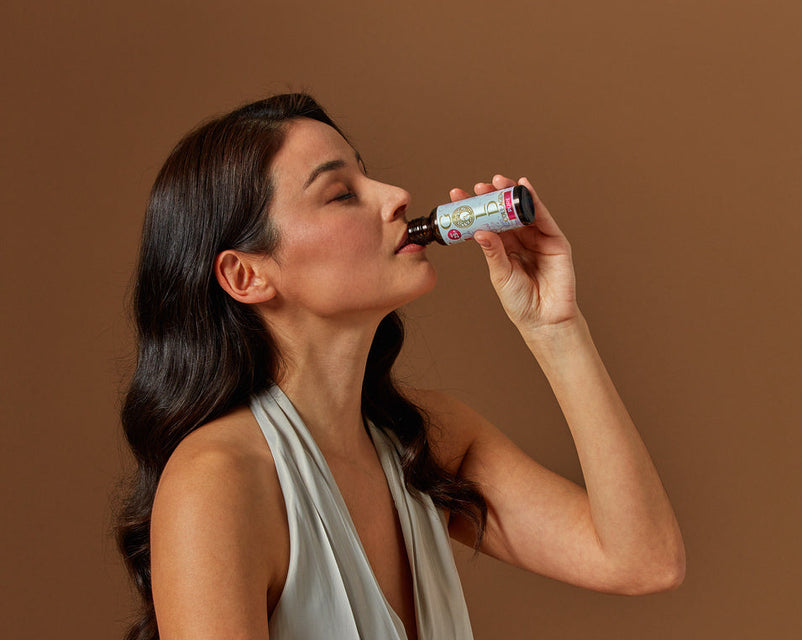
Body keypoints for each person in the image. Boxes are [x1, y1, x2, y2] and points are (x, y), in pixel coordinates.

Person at [114, 93, 685, 640]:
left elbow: (644, 560)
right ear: (247, 275)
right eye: (341, 193)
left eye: (368, 176)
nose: (396, 195)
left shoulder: (427, 439)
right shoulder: (218, 482)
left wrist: (555, 329)